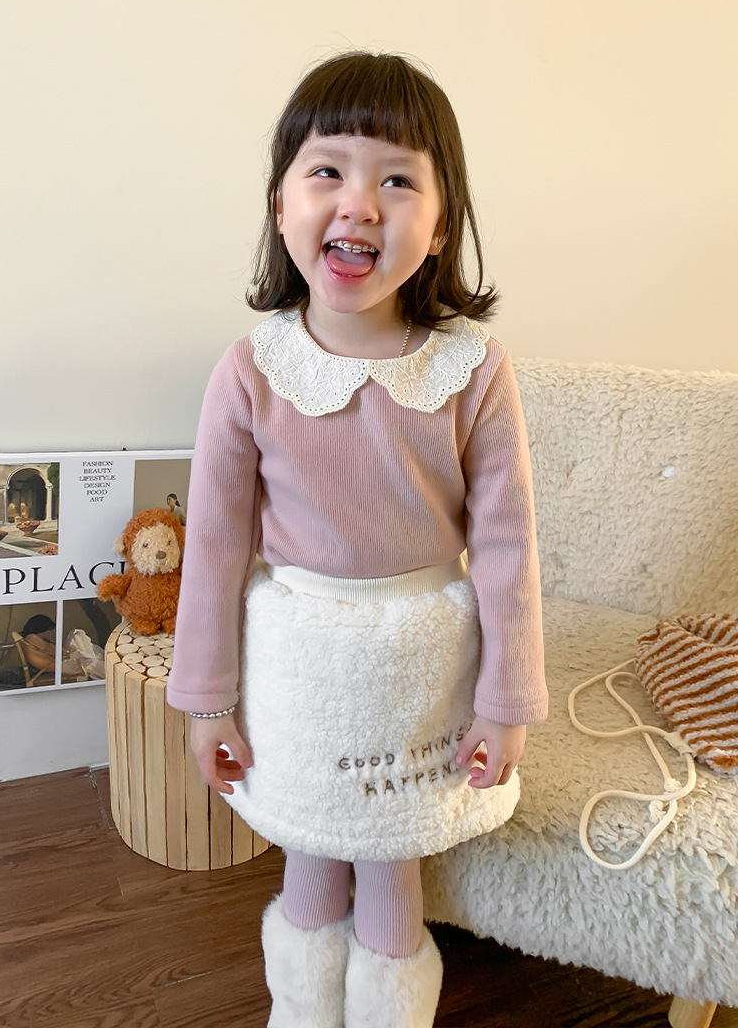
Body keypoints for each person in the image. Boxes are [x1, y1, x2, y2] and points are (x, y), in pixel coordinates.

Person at [166, 51, 548, 1027]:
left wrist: (506, 701)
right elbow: (213, 550)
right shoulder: (250, 371)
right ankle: (300, 1012)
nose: (359, 204)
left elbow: (508, 545)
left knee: (389, 861)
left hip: (423, 664)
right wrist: (207, 701)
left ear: (442, 225)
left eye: (398, 180)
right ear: (281, 203)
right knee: (310, 849)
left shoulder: (474, 369)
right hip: (300, 665)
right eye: (328, 170)